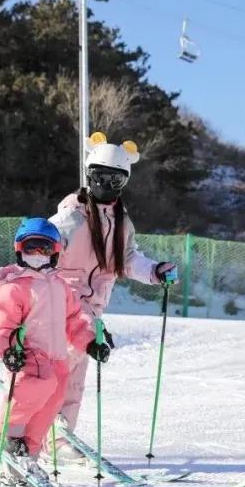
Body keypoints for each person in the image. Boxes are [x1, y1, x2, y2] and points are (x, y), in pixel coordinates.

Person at [47, 133, 178, 459]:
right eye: (100, 176)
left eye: (115, 179)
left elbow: (128, 259)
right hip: (63, 303)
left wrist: (154, 271)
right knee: (62, 366)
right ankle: (33, 424)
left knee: (76, 377)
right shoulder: (68, 218)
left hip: (93, 307)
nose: (106, 184)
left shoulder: (122, 224)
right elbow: (42, 247)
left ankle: (60, 437)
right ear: (89, 175)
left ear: (124, 182)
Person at [0, 218, 108, 466]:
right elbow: (4, 325)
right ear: (20, 249)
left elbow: (75, 320)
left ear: (54, 253)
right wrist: (9, 350)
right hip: (29, 357)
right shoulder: (14, 288)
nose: (37, 255)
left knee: (50, 405)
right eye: (30, 248)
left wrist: (90, 343)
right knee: (31, 393)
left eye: (43, 249)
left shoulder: (60, 286)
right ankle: (4, 431)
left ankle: (27, 458)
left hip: (57, 359)